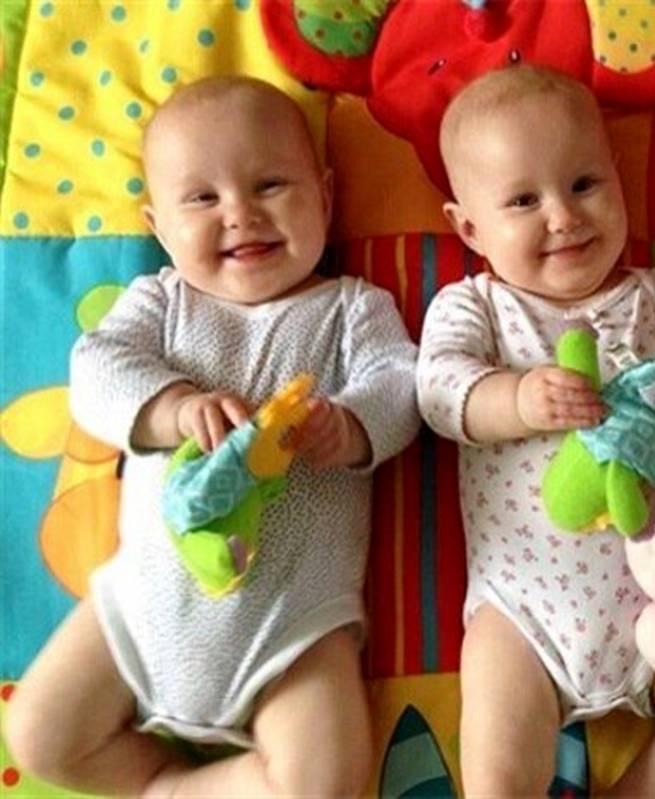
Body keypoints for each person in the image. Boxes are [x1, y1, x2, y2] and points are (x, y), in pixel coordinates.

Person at [4, 75, 422, 797]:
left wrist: (351, 424)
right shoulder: (161, 303)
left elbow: (402, 385)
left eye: (270, 186)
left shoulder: (352, 308)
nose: (240, 214)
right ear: (159, 226)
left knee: (325, 780)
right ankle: (156, 784)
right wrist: (171, 408)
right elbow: (96, 370)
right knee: (37, 731)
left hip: (292, 626)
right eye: (202, 198)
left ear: (324, 197)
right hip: (141, 610)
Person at [418, 64, 655, 797]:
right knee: (497, 777)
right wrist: (516, 399)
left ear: (617, 177)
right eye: (524, 200)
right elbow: (438, 391)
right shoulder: (477, 307)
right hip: (523, 612)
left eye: (584, 184)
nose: (563, 216)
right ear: (470, 228)